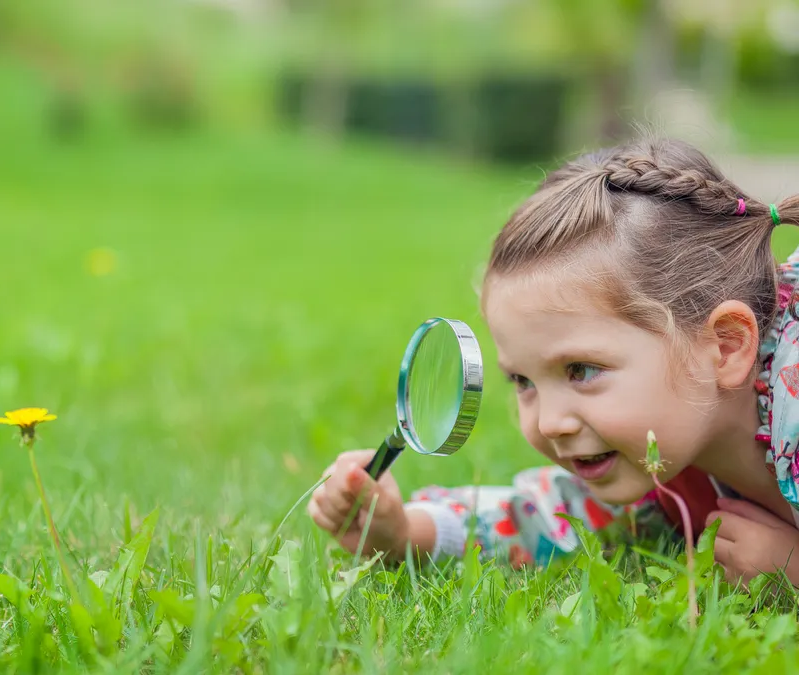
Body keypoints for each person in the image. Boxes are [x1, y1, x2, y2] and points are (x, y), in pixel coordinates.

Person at [308, 138, 799, 586]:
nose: (548, 422)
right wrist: (404, 532)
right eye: (523, 381)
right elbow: (554, 515)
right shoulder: (662, 454)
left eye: (581, 370)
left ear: (727, 347)